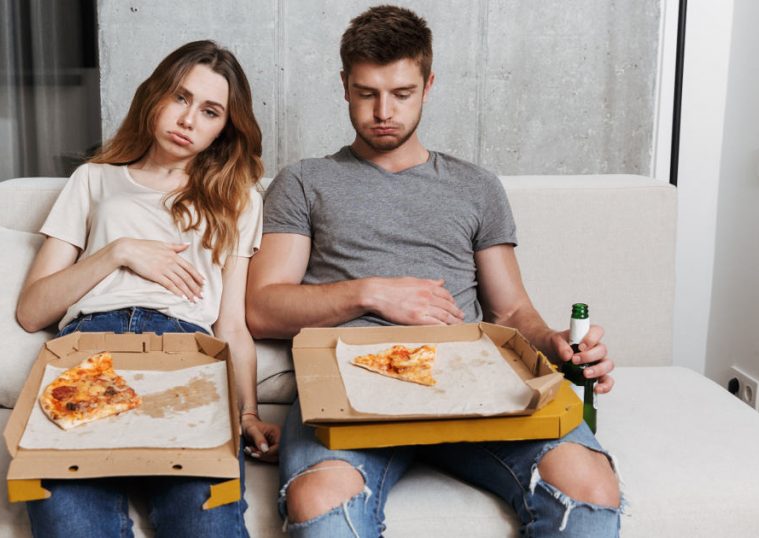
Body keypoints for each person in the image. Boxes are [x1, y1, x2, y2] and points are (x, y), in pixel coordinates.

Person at [245, 6, 622, 537]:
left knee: (591, 485)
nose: (383, 111)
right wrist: (371, 294)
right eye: (366, 93)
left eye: (401, 93)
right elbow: (263, 309)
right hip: (350, 392)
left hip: (476, 386)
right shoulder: (305, 181)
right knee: (320, 504)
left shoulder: (476, 185)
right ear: (344, 87)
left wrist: (557, 344)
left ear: (428, 85)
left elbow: (512, 311)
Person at [16, 40, 280, 538]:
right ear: (155, 96)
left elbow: (231, 325)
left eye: (209, 111)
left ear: (225, 126)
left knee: (210, 523)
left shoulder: (238, 197)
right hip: (88, 354)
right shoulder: (94, 179)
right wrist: (118, 251)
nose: (188, 120)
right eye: (180, 98)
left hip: (187, 357)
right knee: (68, 523)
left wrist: (247, 412)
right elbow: (32, 311)